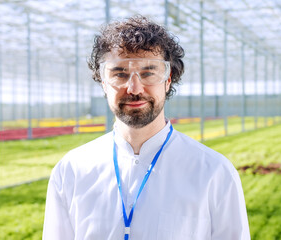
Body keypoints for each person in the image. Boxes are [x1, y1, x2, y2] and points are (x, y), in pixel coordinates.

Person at [43, 16, 250, 240]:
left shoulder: (214, 172)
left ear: (168, 79)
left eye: (149, 73)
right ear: (103, 81)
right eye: (119, 73)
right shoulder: (71, 171)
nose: (134, 88)